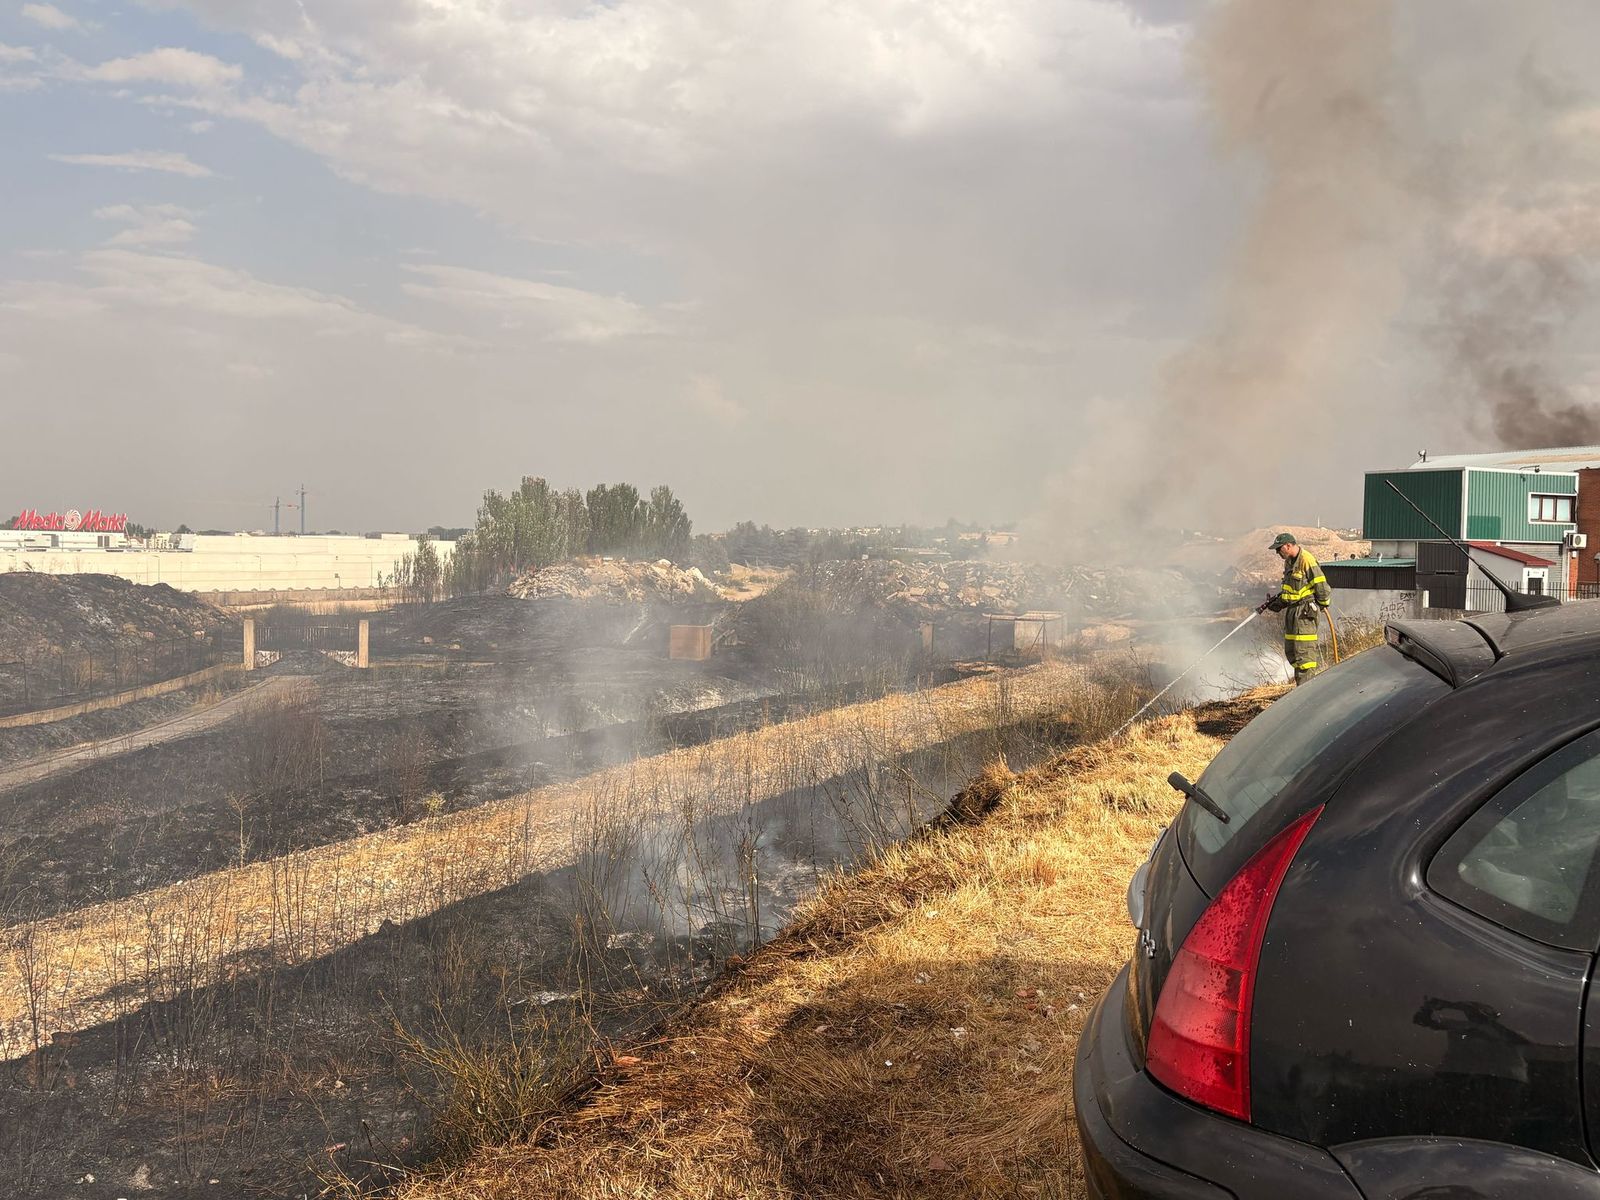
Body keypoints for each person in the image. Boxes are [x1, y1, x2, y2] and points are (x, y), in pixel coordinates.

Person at [1264, 533, 1331, 685]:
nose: (1277, 553)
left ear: (1288, 545)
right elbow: (1291, 592)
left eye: (1279, 549)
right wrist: (1277, 603)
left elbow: (1322, 588)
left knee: (1304, 657)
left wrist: (1317, 607)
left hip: (1304, 613)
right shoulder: (1289, 562)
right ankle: (1300, 689)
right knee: (1293, 652)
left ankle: (1306, 694)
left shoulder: (1306, 560)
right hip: (1293, 613)